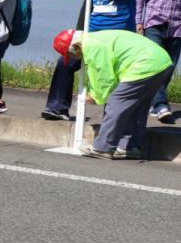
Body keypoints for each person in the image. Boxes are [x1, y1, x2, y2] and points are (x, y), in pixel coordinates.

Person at [41, 0, 140, 120]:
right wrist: (79, 34)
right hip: (93, 34)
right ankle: (57, 107)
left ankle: (111, 120)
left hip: (118, 37)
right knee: (66, 62)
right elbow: (87, 6)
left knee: (114, 76)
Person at [53, 29, 173, 159]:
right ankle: (131, 146)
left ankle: (102, 148)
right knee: (137, 107)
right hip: (162, 62)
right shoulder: (96, 39)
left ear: (76, 47)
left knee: (116, 102)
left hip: (146, 64)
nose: (73, 58)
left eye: (70, 54)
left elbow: (104, 78)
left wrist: (95, 96)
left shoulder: (92, 47)